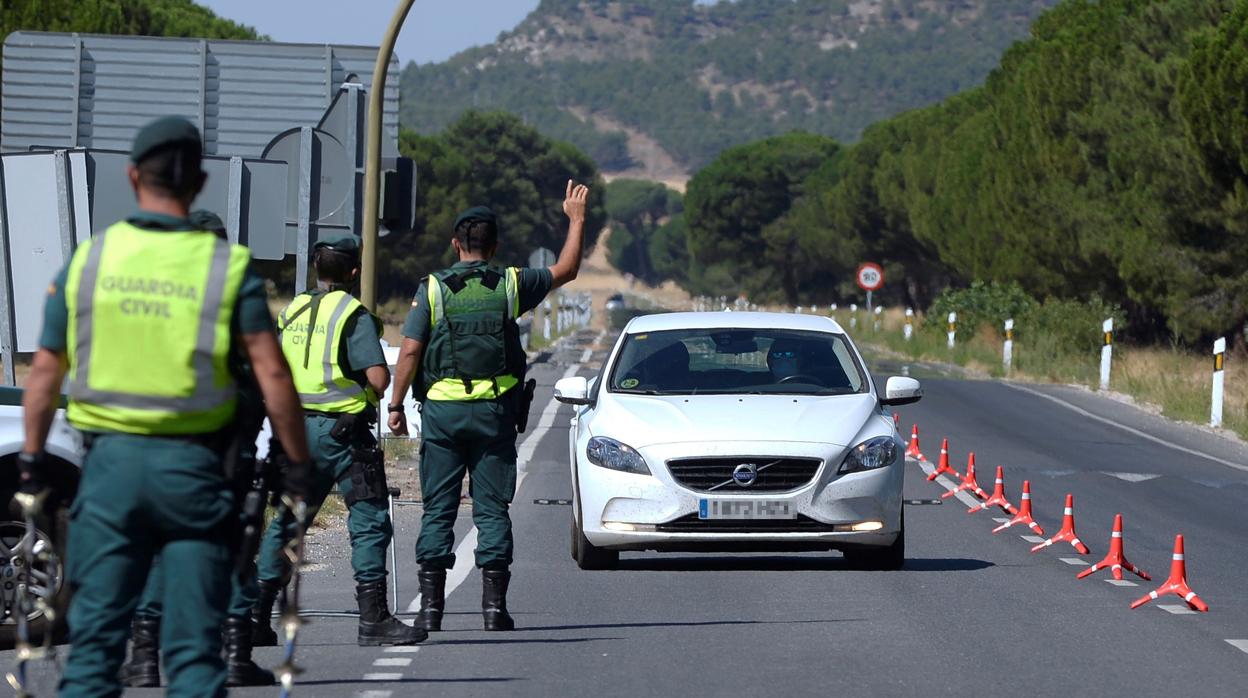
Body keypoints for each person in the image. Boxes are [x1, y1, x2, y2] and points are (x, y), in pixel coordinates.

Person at [18, 116, 312, 697]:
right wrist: (299, 464)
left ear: (133, 176)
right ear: (199, 183)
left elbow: (46, 371)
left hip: (107, 474)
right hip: (195, 473)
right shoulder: (228, 269)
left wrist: (31, 460)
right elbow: (273, 374)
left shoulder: (90, 261)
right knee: (196, 652)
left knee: (95, 644)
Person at [388, 180, 590, 632]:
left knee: (438, 509)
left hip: (442, 416)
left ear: (455, 243)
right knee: (492, 509)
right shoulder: (511, 284)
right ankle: (494, 610)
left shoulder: (435, 289)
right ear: (495, 246)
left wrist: (396, 405)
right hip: (495, 414)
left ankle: (431, 611)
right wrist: (575, 219)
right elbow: (568, 269)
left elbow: (410, 351)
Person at [118, 209, 275, 688]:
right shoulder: (240, 295)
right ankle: (234, 654)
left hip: (166, 444)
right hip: (229, 445)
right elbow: (269, 372)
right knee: (233, 546)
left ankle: (145, 658)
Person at [249, 233, 425, 647]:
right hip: (343, 435)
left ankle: (255, 616)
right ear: (353, 272)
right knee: (368, 521)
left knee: (290, 521)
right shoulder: (352, 314)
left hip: (293, 431)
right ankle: (374, 618)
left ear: (315, 268)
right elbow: (379, 379)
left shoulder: (291, 310)